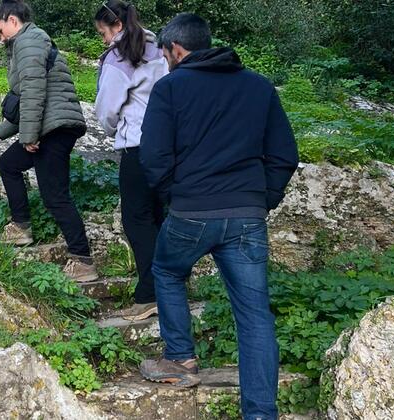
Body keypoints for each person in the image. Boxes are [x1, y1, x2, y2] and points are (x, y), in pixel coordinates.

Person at [137, 13, 299, 420]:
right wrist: (263, 199)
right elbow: (284, 155)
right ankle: (261, 414)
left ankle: (181, 360)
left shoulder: (170, 88)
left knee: (168, 270)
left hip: (191, 210)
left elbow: (153, 157)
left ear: (176, 49)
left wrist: (176, 195)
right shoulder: (259, 86)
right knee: (255, 315)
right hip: (247, 215)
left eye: (165, 54)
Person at [0, 0, 98, 282]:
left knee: (55, 196)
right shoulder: (29, 43)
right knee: (9, 164)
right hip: (49, 126)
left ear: (12, 20)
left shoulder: (28, 44)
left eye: (1, 31)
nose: (1, 38)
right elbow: (27, 98)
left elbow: (35, 93)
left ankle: (83, 260)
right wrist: (2, 132)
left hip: (54, 129)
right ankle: (21, 227)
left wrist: (29, 137)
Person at [94, 0, 168, 321]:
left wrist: (115, 129)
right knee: (160, 218)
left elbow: (107, 110)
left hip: (137, 147)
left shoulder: (118, 57)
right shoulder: (159, 51)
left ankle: (150, 294)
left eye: (103, 32)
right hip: (167, 147)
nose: (102, 39)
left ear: (117, 27)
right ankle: (172, 287)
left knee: (136, 219)